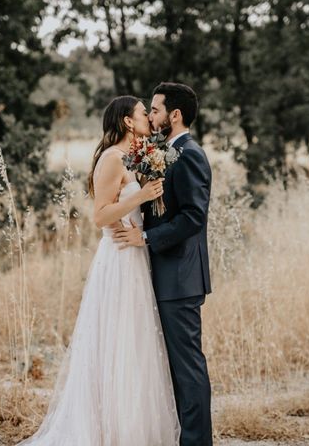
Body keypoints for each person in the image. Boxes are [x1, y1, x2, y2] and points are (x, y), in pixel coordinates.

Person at [18, 95, 180, 446]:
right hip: (118, 258)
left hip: (136, 256)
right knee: (117, 340)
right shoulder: (110, 158)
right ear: (126, 121)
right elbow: (100, 216)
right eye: (142, 113)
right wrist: (142, 196)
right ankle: (108, 430)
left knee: (135, 342)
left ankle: (132, 428)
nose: (148, 119)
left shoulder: (133, 157)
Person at [113, 82, 213, 446]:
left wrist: (146, 238)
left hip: (181, 278)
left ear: (175, 114)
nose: (150, 116)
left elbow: (193, 217)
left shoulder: (190, 154)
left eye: (155, 110)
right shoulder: (165, 150)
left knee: (188, 370)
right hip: (162, 274)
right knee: (172, 370)